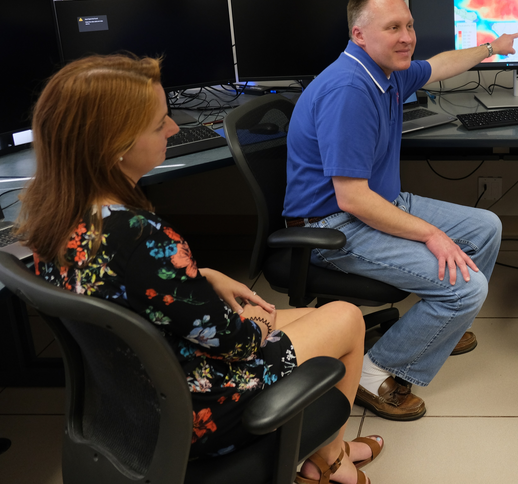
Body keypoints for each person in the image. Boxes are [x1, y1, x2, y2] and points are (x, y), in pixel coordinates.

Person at [17, 55, 382, 484]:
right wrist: (258, 319)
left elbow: (121, 288)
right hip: (199, 407)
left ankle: (323, 457)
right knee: (347, 317)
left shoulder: (49, 216)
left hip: (131, 397)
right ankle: (332, 461)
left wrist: (202, 276)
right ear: (115, 146)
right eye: (160, 123)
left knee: (311, 318)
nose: (173, 128)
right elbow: (240, 344)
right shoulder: (139, 236)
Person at [284, 0, 518, 420]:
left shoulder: (387, 70)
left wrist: (493, 47)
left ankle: (442, 328)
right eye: (393, 27)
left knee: (486, 226)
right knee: (467, 287)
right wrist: (433, 235)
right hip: (333, 226)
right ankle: (374, 372)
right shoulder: (350, 91)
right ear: (359, 34)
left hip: (380, 202)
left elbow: (440, 66)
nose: (407, 37)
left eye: (409, 25)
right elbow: (352, 199)